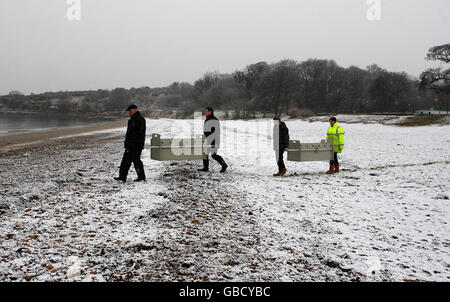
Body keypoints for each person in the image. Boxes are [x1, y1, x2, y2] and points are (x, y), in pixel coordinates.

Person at [114, 104, 146, 182]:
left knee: (136, 161)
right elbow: (130, 134)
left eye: (129, 110)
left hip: (136, 145)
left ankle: (141, 177)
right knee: (125, 161)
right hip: (130, 145)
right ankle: (122, 176)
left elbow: (140, 133)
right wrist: (127, 144)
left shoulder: (139, 119)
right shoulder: (132, 119)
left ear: (134, 110)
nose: (129, 112)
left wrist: (137, 144)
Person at [198, 107, 228, 173]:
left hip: (214, 140)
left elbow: (215, 132)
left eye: (206, 111)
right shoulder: (208, 119)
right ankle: (205, 168)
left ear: (210, 111)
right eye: (204, 111)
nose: (205, 112)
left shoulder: (214, 120)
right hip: (208, 139)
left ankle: (224, 165)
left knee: (214, 155)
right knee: (205, 153)